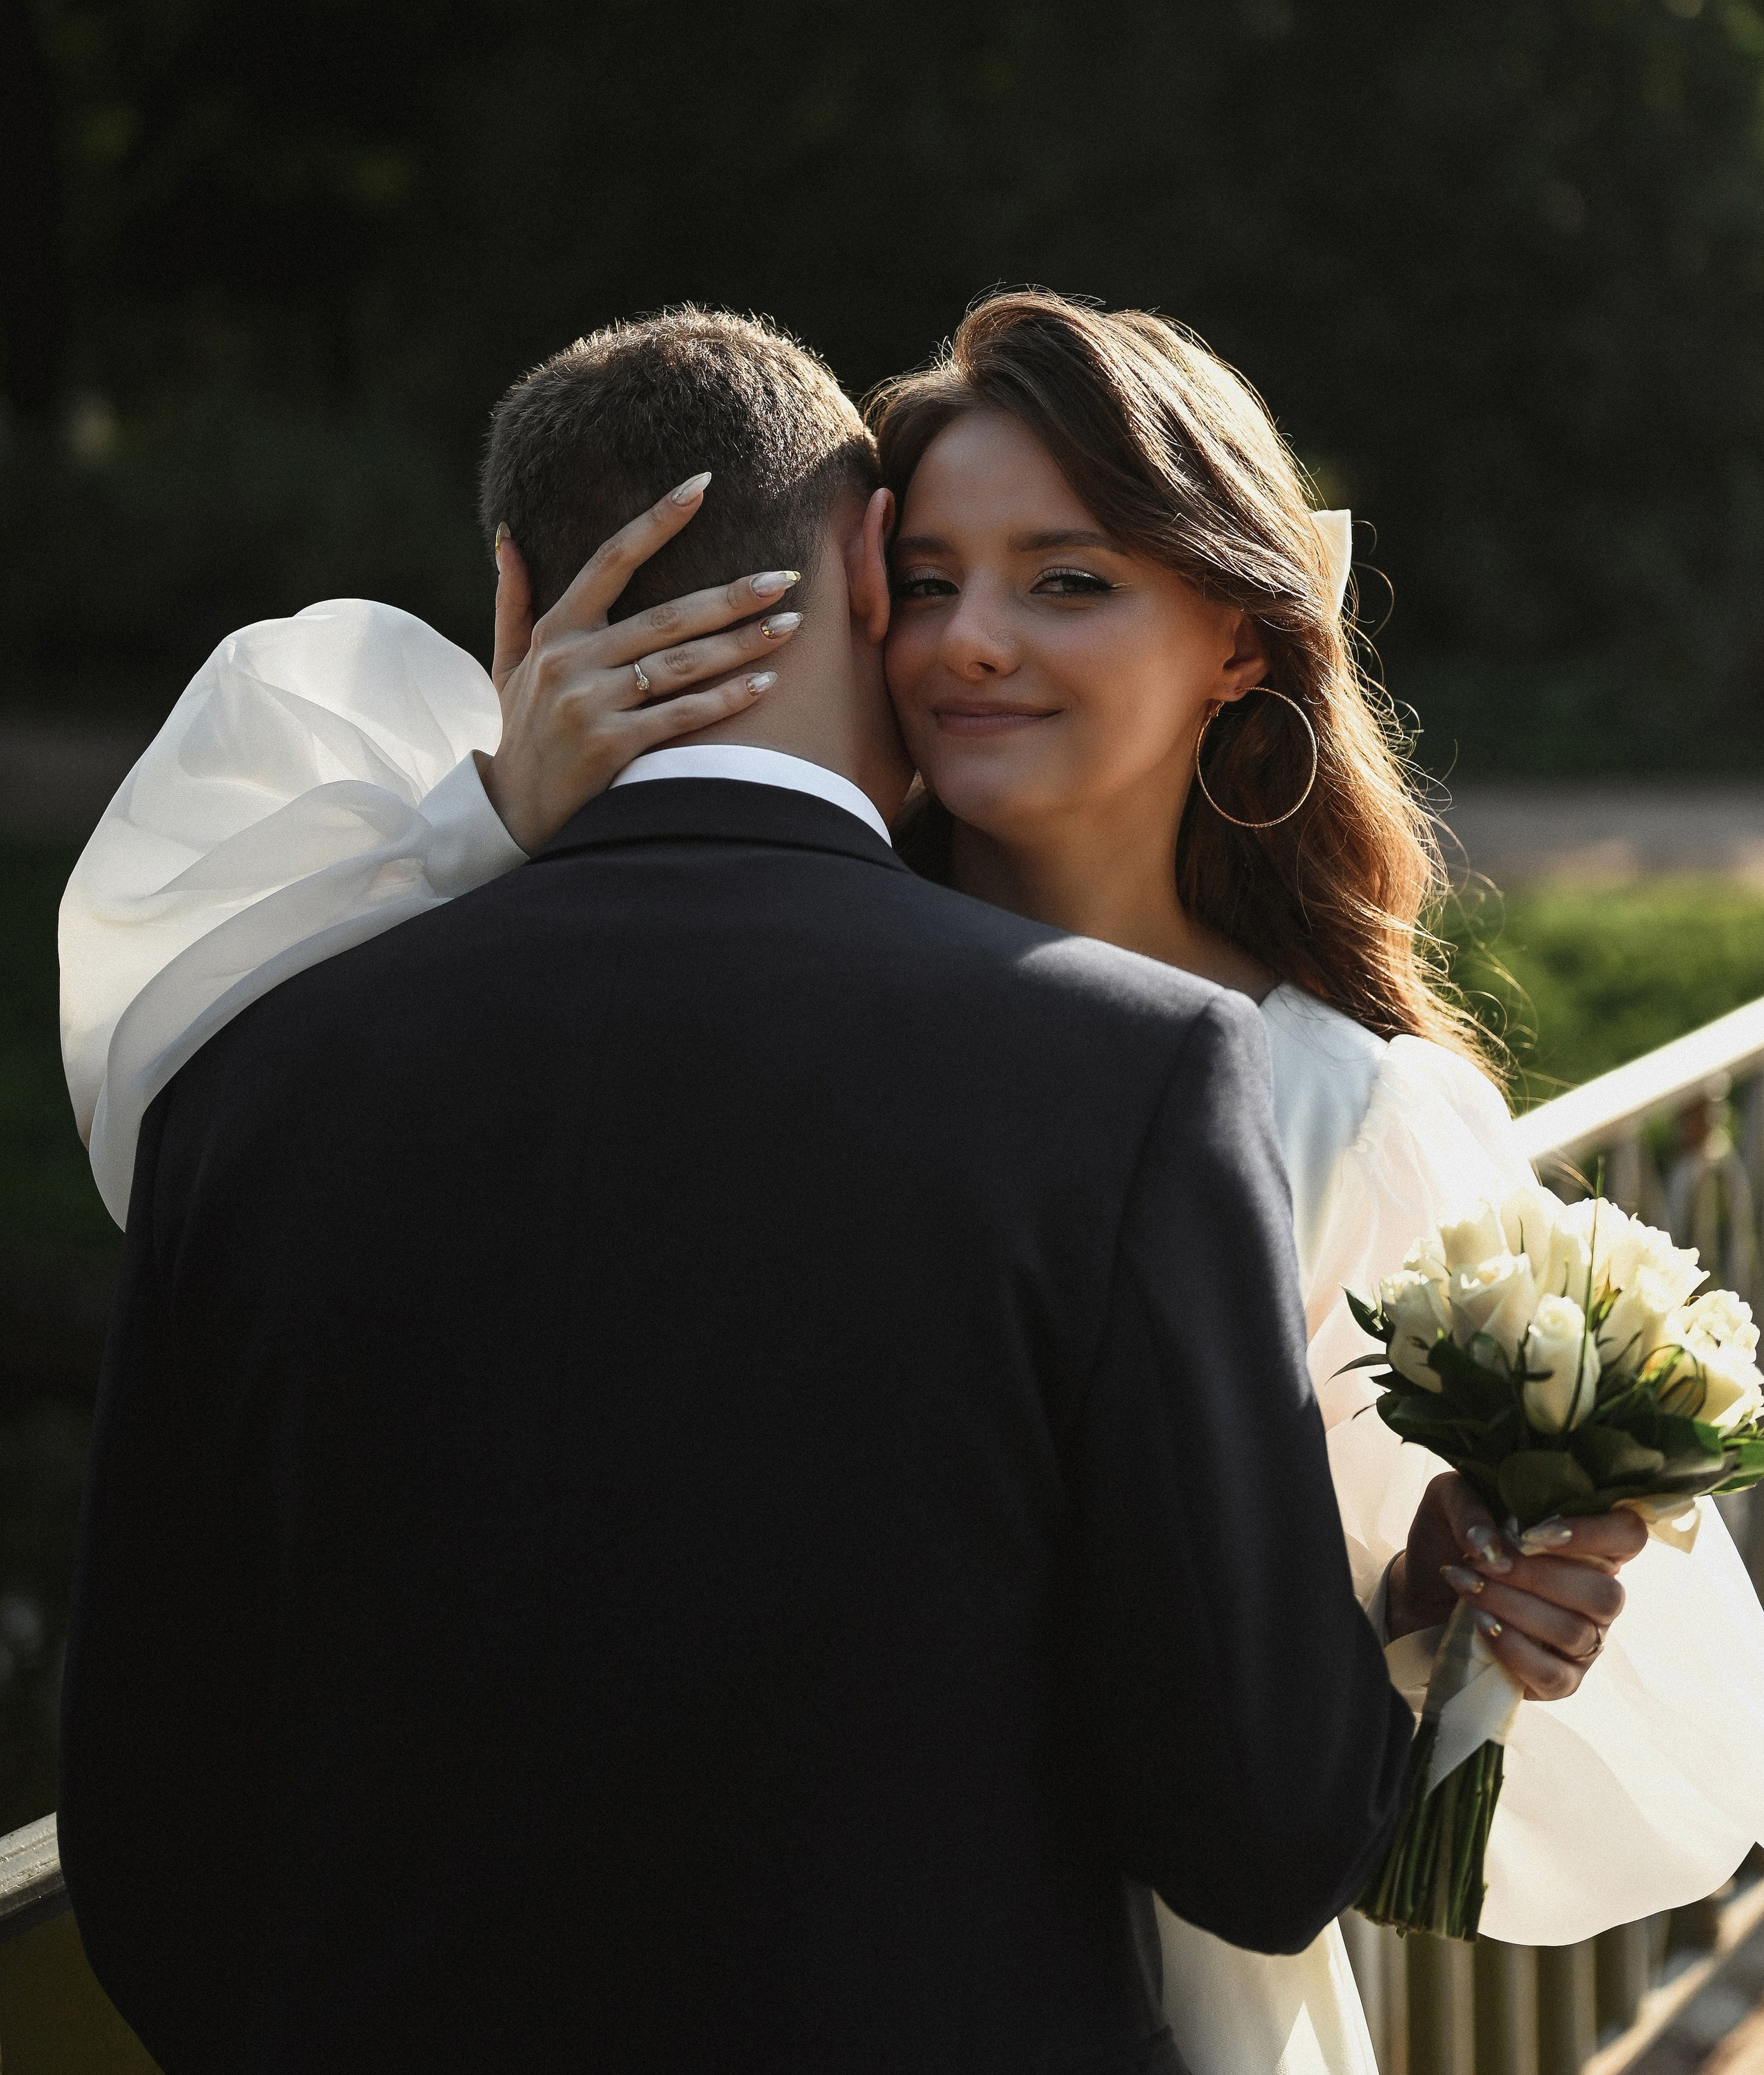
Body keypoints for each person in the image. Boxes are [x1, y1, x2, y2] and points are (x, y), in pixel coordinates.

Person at [59, 296, 1764, 2074]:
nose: (971, 643)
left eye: (1067, 580)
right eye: (934, 578)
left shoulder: (1323, 1095)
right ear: (860, 578)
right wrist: (488, 822)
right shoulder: (645, 980)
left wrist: (1431, 1618)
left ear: (1246, 641)